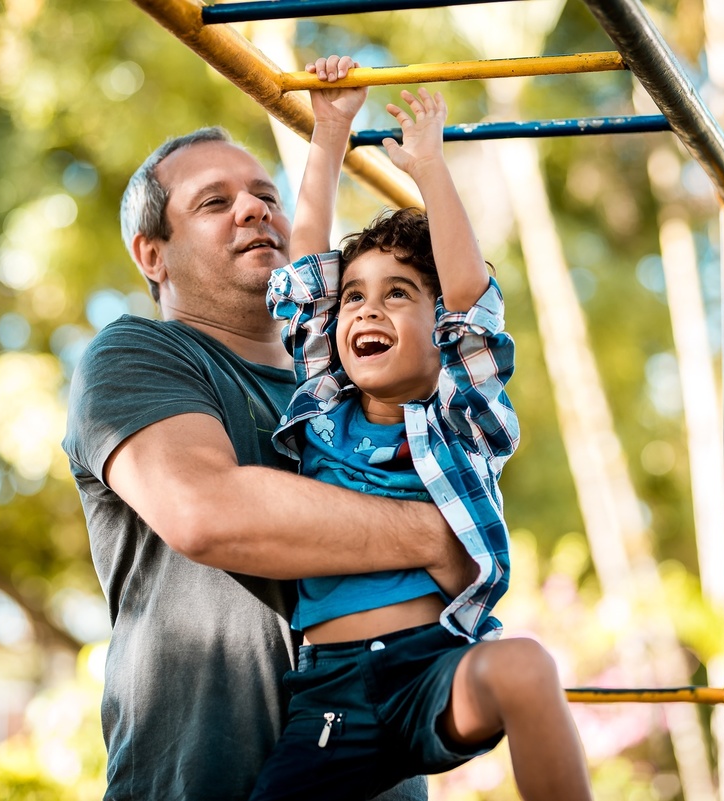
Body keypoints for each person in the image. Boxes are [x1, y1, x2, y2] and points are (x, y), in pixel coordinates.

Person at [61, 106, 478, 798]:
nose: (253, 209)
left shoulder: (362, 383)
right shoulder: (136, 355)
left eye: (266, 196)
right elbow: (209, 512)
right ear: (152, 254)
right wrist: (438, 533)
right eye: (215, 202)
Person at [248, 56, 594, 801]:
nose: (365, 310)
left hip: (430, 668)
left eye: (397, 294)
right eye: (355, 299)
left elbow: (472, 304)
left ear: (439, 330)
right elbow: (308, 264)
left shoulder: (456, 421)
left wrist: (430, 169)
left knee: (527, 665)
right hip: (330, 693)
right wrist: (330, 128)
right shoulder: (320, 409)